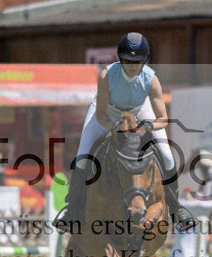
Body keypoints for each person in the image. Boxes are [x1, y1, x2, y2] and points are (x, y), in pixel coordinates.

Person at [55, 32, 194, 233]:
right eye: (128, 61)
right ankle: (72, 211)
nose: (132, 66)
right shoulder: (107, 75)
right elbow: (101, 113)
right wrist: (113, 127)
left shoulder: (151, 79)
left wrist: (148, 127)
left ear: (144, 61)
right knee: (83, 157)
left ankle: (176, 210)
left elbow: (163, 118)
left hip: (140, 111)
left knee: (167, 156)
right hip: (109, 112)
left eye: (137, 62)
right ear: (121, 59)